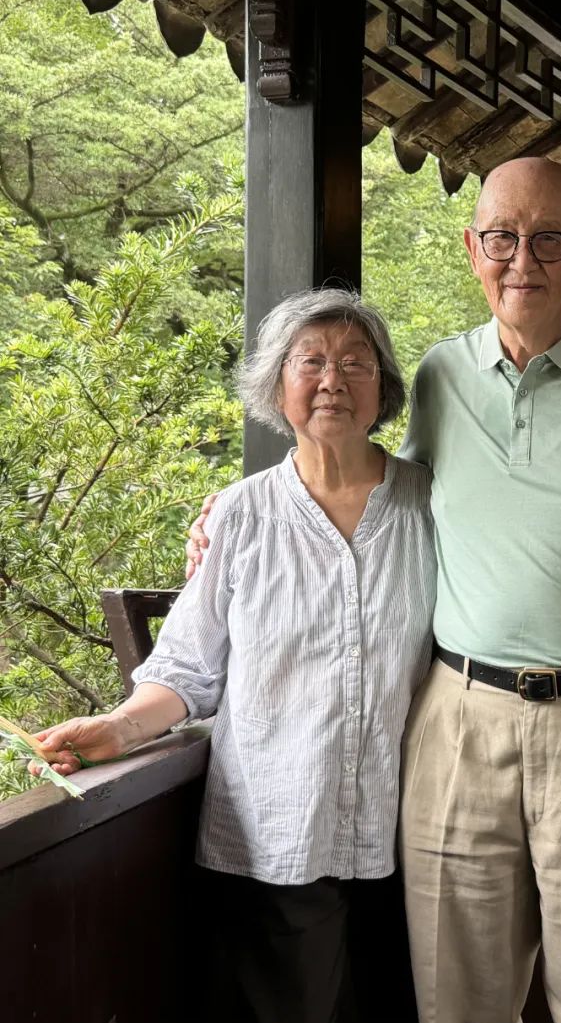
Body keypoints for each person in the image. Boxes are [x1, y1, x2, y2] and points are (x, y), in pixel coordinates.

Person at [187, 159, 561, 1023]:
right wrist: (232, 512)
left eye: (549, 239)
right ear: (471, 248)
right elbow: (369, 486)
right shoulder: (440, 375)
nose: (522, 259)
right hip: (460, 717)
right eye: (502, 237)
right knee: (456, 999)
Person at [35, 289, 434, 1023]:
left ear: (384, 388)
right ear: (277, 388)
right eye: (309, 362)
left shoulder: (432, 506)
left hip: (414, 819)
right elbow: (187, 667)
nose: (332, 380)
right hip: (280, 824)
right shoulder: (242, 513)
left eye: (356, 362)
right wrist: (118, 728)